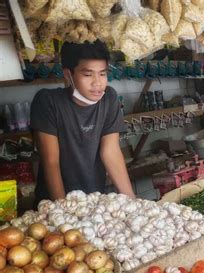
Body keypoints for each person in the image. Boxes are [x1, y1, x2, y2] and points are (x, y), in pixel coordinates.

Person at [31, 40, 135, 203]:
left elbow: (110, 151)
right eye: (87, 75)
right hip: (54, 202)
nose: (97, 83)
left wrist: (132, 201)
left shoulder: (109, 98)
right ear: (68, 75)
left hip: (94, 199)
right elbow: (51, 161)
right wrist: (63, 210)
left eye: (102, 73)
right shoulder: (48, 101)